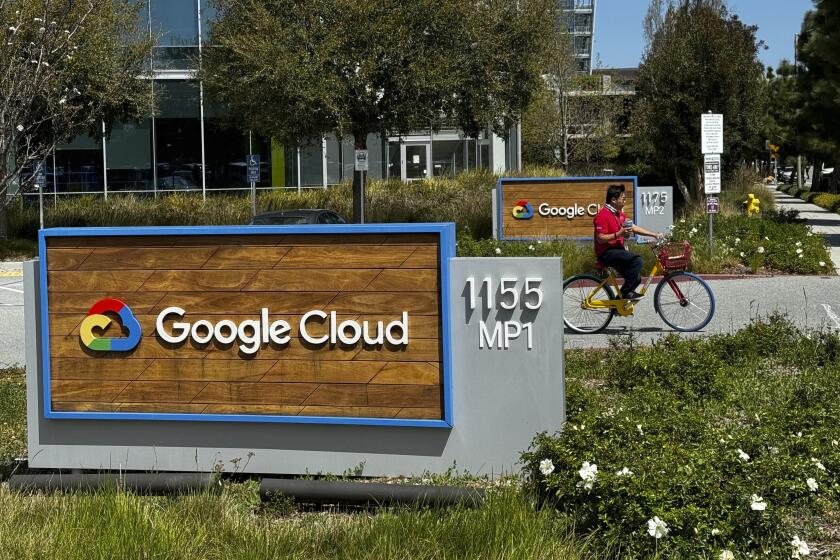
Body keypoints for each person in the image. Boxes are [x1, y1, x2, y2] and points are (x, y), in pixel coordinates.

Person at [593, 184, 663, 301]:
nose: (625, 200)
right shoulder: (602, 214)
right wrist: (619, 234)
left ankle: (618, 305)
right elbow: (600, 238)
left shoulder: (619, 214)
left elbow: (633, 227)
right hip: (606, 253)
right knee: (637, 260)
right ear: (613, 199)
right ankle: (625, 294)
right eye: (623, 198)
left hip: (617, 250)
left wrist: (654, 234)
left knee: (636, 278)